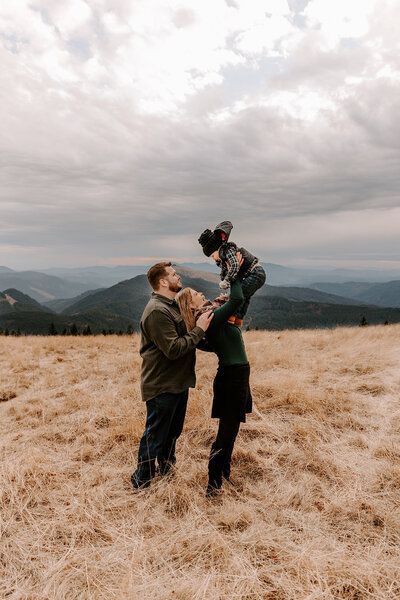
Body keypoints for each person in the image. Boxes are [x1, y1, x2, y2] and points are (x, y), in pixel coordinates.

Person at [131, 262, 214, 490]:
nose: (179, 276)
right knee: (155, 434)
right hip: (162, 384)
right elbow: (174, 349)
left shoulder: (171, 305)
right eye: (174, 274)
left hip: (177, 382)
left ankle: (167, 470)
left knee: (172, 432)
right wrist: (199, 330)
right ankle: (142, 479)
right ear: (163, 282)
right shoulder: (157, 311)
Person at [176, 279, 252, 496]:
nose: (201, 292)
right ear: (192, 306)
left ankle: (223, 475)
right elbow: (237, 299)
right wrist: (234, 276)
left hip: (237, 375)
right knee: (226, 432)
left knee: (232, 430)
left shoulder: (211, 314)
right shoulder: (208, 317)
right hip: (231, 378)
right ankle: (213, 484)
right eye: (196, 293)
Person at [198, 220, 266, 327]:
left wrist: (226, 281)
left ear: (216, 249)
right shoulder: (223, 256)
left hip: (255, 273)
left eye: (212, 255)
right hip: (256, 274)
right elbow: (226, 270)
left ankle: (231, 316)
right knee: (245, 297)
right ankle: (239, 319)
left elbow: (235, 265)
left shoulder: (227, 250)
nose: (213, 258)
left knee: (237, 296)